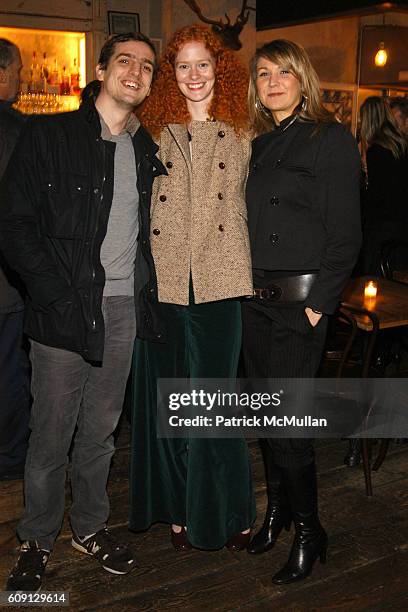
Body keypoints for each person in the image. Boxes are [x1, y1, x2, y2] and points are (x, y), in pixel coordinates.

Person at [1, 31, 165, 592]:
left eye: (146, 66)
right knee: (50, 433)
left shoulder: (147, 150)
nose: (136, 72)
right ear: (100, 68)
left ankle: (89, 528)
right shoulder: (48, 135)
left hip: (123, 311)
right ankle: (37, 538)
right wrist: (53, 295)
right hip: (62, 311)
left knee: (100, 432)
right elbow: (14, 224)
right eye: (125, 60)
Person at [129, 24, 255, 551]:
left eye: (204, 65)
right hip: (165, 284)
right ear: (170, 76)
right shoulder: (152, 132)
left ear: (219, 71)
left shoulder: (244, 132)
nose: (194, 76)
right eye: (183, 66)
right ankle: (180, 508)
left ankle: (226, 511)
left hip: (222, 280)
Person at [242, 39, 361, 583]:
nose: (272, 81)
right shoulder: (261, 143)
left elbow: (346, 237)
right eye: (263, 73)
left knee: (288, 425)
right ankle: (279, 511)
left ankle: (310, 530)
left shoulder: (328, 138)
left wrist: (319, 308)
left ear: (302, 77)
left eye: (283, 71)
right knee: (267, 420)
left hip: (300, 310)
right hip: (256, 307)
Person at [0, 38, 30, 482]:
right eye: (18, 70)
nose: (22, 78)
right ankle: (8, 460)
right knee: (8, 371)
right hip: (7, 280)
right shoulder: (18, 130)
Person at [359, 96, 408, 275]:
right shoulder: (400, 144)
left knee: (375, 278)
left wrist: (365, 175)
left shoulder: (377, 151)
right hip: (401, 224)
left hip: (381, 226)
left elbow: (376, 196)